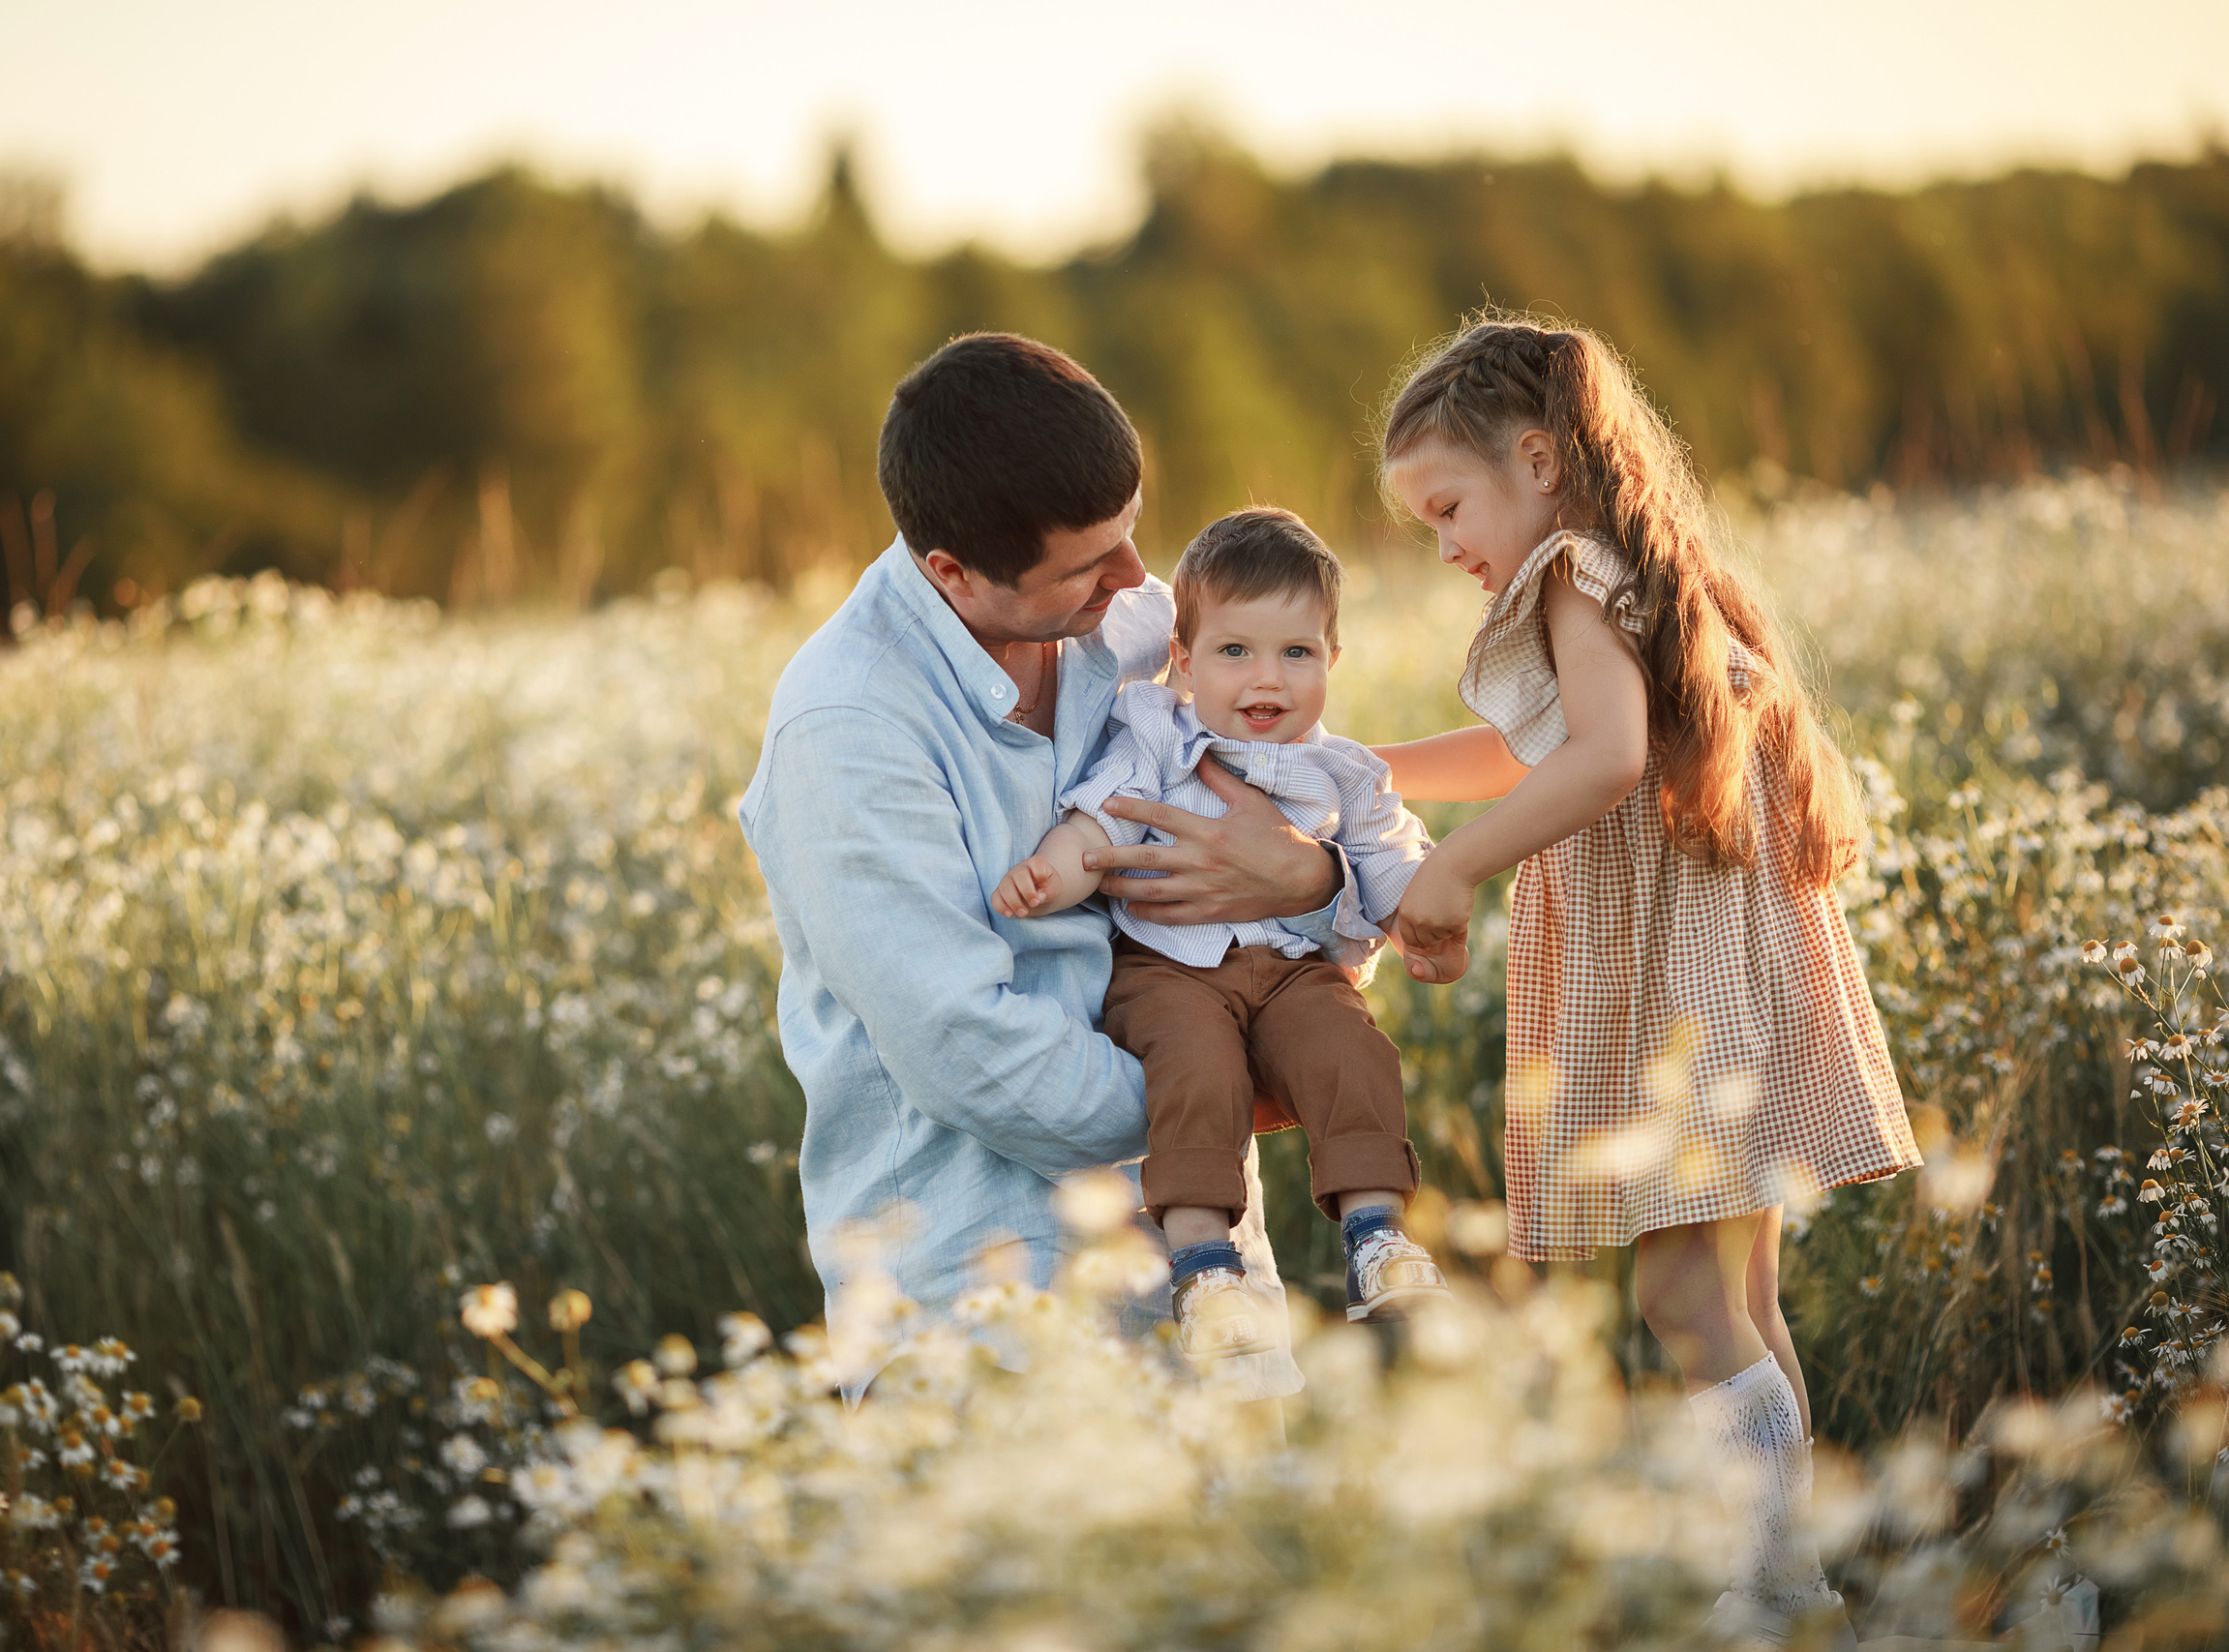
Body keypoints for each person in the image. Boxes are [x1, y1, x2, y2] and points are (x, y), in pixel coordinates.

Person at [1373, 315, 1921, 1646]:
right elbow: (1541, 747)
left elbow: (1604, 756)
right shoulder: (1648, 566)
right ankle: (1796, 1588)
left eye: (1448, 506)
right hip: (1725, 972)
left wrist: (1450, 871)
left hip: (1683, 989)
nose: (1445, 545)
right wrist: (1364, 768)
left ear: (1540, 458)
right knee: (1742, 1300)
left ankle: (1773, 1589)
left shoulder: (1569, 568)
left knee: (1683, 1299)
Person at [738, 333, 1376, 1401]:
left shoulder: (1136, 637)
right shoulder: (847, 726)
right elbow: (967, 1049)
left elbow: (1308, 831)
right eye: (1088, 563)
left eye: (1130, 533)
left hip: (1210, 1264)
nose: (1139, 582)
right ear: (952, 572)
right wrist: (1231, 1092)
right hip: (980, 1308)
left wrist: (1312, 884)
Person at [991, 507, 1452, 1361]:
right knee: (1194, 1070)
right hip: (1169, 969)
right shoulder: (1158, 734)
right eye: (1234, 651)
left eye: (1296, 653)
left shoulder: (1346, 770)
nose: (1264, 678)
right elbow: (1104, 816)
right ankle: (1203, 1262)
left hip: (1291, 970)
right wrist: (1056, 870)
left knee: (1352, 1049)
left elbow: (1391, 863)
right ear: (1184, 660)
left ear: (1332, 661)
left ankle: (1377, 1234)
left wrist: (1424, 921)